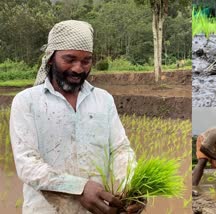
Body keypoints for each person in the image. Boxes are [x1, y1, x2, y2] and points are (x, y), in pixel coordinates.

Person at [10, 20, 143, 214]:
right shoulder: (26, 102)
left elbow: (119, 149)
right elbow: (27, 164)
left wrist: (135, 183)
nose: (78, 68)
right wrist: (78, 188)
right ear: (50, 58)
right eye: (69, 59)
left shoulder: (103, 100)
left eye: (86, 61)